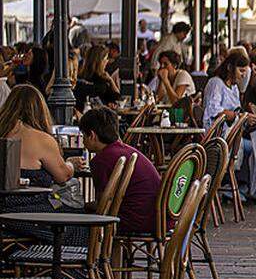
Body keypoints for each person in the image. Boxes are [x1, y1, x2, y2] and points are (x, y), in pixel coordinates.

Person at [0, 85, 84, 243]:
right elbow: (63, 176)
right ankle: (67, 265)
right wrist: (71, 164)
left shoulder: (4, 130)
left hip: (4, 213)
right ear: (39, 109)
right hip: (29, 213)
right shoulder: (41, 139)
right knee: (77, 219)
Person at [78, 107, 162, 236]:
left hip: (136, 220)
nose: (83, 141)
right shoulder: (126, 150)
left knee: (79, 218)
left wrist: (80, 206)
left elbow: (103, 206)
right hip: (158, 217)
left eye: (83, 135)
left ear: (92, 135)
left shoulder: (101, 160)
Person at [202, 50, 249, 129]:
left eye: (245, 72)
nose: (243, 76)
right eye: (241, 71)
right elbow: (213, 110)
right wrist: (240, 116)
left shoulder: (234, 88)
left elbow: (237, 111)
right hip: (216, 135)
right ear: (230, 67)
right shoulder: (216, 83)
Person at [74, 44, 120, 111]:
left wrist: (110, 80)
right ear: (99, 61)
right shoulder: (101, 80)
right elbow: (117, 98)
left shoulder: (80, 77)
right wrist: (110, 81)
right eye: (106, 58)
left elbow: (117, 98)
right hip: (98, 117)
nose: (107, 61)